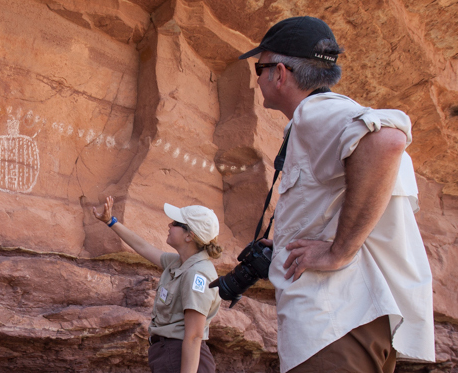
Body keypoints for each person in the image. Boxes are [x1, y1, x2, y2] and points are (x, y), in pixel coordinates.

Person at [237, 16, 436, 372]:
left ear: (279, 73)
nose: (258, 78)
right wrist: (285, 243)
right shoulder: (327, 117)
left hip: (333, 324)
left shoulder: (319, 113)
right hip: (355, 320)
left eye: (259, 68)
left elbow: (387, 140)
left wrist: (338, 251)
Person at [93, 196, 222, 373]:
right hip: (169, 354)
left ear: (189, 236)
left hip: (183, 359)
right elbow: (144, 247)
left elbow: (194, 336)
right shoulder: (179, 263)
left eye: (176, 223)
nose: (169, 225)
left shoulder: (196, 275)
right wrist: (110, 221)